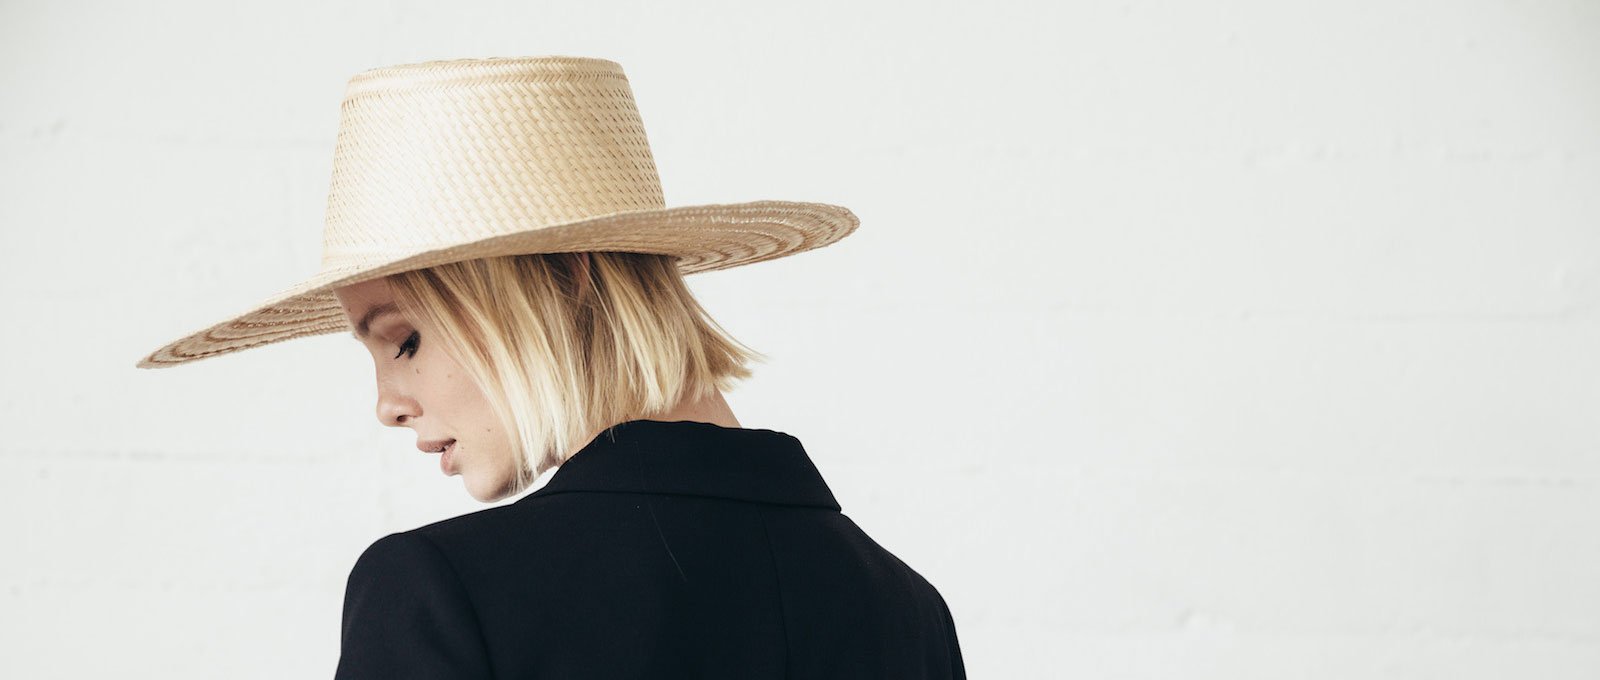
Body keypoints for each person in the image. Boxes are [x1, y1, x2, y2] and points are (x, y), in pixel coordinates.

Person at [136, 55, 965, 678]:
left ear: (567, 284)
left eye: (404, 340)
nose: (387, 403)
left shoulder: (439, 590)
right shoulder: (906, 609)